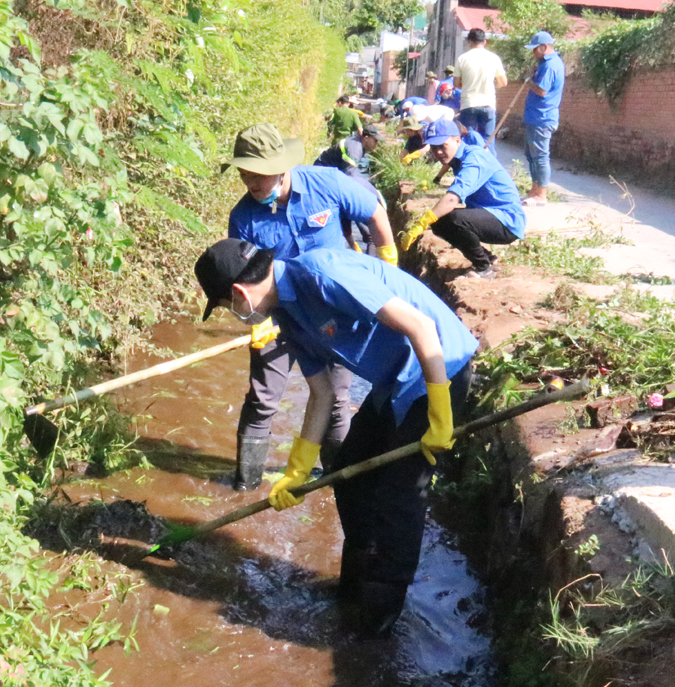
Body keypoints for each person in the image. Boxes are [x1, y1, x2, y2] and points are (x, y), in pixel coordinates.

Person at [194, 239, 478, 638]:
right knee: (347, 472)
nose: (234, 313)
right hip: (392, 383)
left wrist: (440, 411)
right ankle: (356, 587)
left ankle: (378, 616)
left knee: (400, 497)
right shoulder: (288, 315)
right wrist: (297, 470)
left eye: (226, 306)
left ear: (239, 293)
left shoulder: (324, 275)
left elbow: (422, 327)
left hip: (436, 369)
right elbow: (323, 392)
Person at [223, 124, 399, 492]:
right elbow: (246, 281)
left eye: (258, 174)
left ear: (281, 165)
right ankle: (245, 484)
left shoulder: (326, 183)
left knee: (335, 400)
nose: (250, 183)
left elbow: (375, 215)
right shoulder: (244, 218)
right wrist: (256, 320)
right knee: (262, 398)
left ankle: (337, 480)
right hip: (278, 314)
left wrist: (387, 269)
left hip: (334, 315)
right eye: (244, 175)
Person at [400, 119, 525, 279]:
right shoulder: (458, 158)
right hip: (488, 214)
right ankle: (488, 258)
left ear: (457, 140)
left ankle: (483, 268)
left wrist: (421, 223)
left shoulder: (474, 159)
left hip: (506, 221)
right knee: (440, 222)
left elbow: (453, 199)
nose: (438, 152)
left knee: (454, 218)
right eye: (434, 147)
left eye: (442, 146)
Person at [313, 124, 387, 248]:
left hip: (333, 178)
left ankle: (353, 245)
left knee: (345, 212)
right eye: (375, 141)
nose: (376, 144)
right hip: (323, 181)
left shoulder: (359, 145)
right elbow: (351, 175)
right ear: (366, 137)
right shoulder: (355, 148)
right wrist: (371, 192)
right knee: (353, 210)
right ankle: (362, 241)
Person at [522, 31, 565, 207]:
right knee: (531, 155)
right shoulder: (546, 64)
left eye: (535, 49)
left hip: (542, 118)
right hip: (536, 117)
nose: (533, 53)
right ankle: (535, 189)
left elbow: (541, 90)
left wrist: (528, 81)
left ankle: (541, 194)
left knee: (540, 156)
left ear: (543, 47)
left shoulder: (550, 66)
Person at [455, 28, 508, 156]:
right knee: (488, 142)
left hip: (469, 105)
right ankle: (490, 170)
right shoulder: (494, 58)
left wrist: (467, 84)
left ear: (469, 42)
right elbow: (503, 82)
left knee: (469, 140)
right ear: (484, 42)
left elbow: (456, 84)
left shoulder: (462, 59)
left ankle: (471, 168)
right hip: (488, 104)